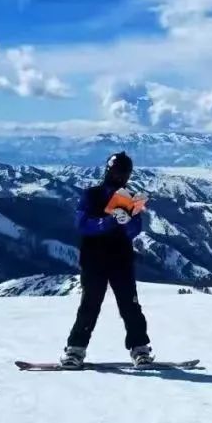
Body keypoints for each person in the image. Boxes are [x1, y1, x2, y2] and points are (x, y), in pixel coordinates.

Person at [60, 152, 152, 368]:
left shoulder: (130, 197)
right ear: (109, 171)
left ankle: (140, 349)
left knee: (130, 305)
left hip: (120, 258)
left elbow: (135, 230)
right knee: (90, 304)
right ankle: (75, 349)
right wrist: (107, 222)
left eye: (124, 174)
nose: (120, 177)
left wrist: (126, 221)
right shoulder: (91, 195)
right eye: (117, 172)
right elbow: (82, 224)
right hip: (95, 258)